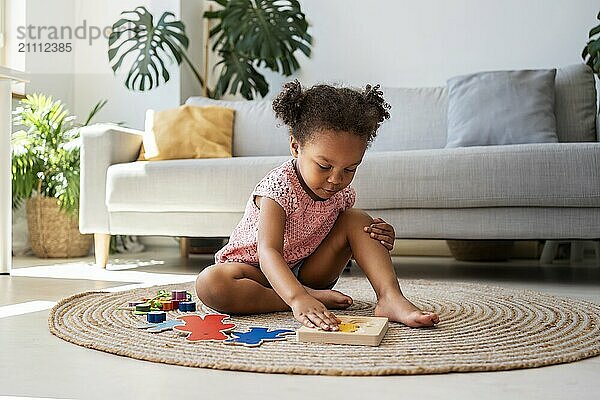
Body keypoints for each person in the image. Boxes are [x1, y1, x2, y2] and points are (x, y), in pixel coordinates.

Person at [195, 80, 440, 331]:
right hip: (255, 273)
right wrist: (297, 298)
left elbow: (350, 235)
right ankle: (298, 298)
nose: (336, 179)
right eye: (324, 166)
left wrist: (378, 235)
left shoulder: (341, 192)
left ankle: (390, 297)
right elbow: (268, 253)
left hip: (310, 272)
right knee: (210, 283)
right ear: (295, 147)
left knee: (359, 220)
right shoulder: (277, 189)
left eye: (350, 169)